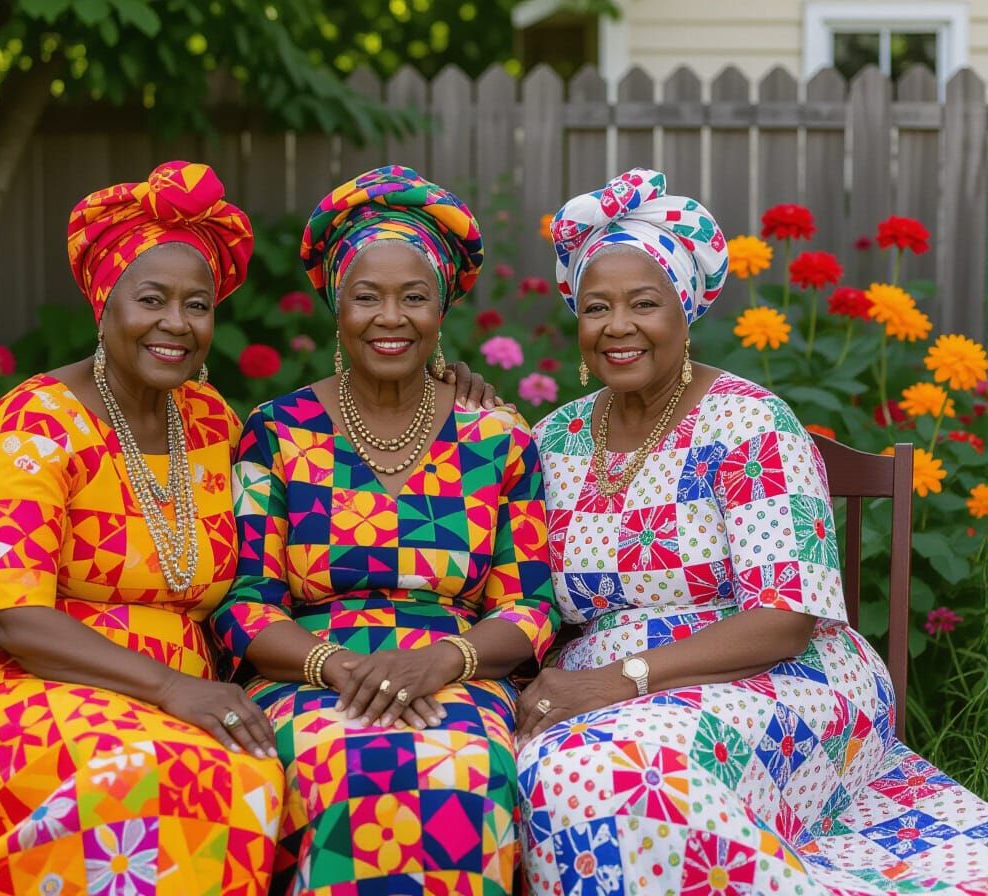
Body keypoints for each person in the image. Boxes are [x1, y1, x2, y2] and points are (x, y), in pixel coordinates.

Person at [516, 168, 988, 894]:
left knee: (624, 773)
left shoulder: (750, 423)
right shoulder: (554, 438)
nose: (617, 326)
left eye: (645, 303)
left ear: (686, 308)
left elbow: (785, 620)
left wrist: (623, 680)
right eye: (596, 306)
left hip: (777, 674)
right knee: (538, 766)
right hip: (606, 687)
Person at [0, 161, 286, 895]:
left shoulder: (211, 423)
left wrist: (438, 388)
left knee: (255, 772)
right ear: (104, 303)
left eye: (197, 305)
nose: (177, 323)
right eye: (152, 299)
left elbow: (309, 483)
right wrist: (173, 688)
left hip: (167, 694)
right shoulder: (33, 424)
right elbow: (13, 618)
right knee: (161, 781)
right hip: (2, 684)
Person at [211, 164, 560, 895]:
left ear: (442, 309)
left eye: (414, 296)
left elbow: (529, 608)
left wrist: (445, 660)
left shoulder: (496, 435)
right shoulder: (276, 432)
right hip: (308, 671)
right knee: (338, 761)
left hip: (458, 672)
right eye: (366, 296)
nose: (390, 317)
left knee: (464, 768)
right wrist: (336, 667)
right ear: (337, 307)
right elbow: (244, 604)